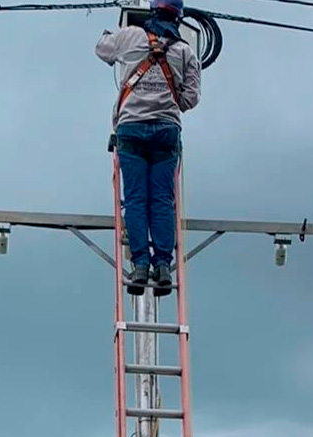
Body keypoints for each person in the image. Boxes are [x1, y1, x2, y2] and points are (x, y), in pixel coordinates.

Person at [95, 0, 201, 298]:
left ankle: (140, 266)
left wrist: (112, 32)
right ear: (178, 17)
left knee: (137, 199)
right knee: (162, 201)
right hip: (166, 132)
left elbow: (102, 48)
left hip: (132, 129)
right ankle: (163, 267)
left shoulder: (130, 36)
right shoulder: (185, 51)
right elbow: (191, 99)